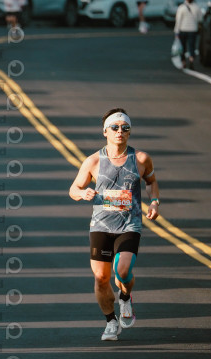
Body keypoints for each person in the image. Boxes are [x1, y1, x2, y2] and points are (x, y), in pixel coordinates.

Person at [69, 108, 160, 341]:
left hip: (129, 224)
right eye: (115, 127)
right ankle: (111, 321)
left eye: (125, 127)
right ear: (105, 132)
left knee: (123, 270)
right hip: (101, 225)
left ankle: (125, 297)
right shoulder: (93, 161)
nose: (120, 131)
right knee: (101, 278)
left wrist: (154, 202)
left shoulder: (140, 159)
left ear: (129, 132)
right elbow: (73, 189)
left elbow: (151, 181)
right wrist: (83, 194)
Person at [174, 0, 202, 69]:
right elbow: (200, 19)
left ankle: (183, 62)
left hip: (183, 29)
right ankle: (191, 60)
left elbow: (178, 20)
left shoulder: (181, 7)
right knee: (192, 46)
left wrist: (176, 31)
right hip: (193, 30)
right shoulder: (197, 7)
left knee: (182, 47)